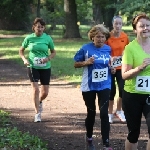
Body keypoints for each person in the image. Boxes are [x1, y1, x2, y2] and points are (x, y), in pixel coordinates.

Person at [74, 24, 115, 150]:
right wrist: (86, 62)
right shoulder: (85, 48)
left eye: (103, 37)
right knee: (91, 113)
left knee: (104, 113)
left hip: (105, 85)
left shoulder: (108, 49)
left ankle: (106, 144)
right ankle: (89, 138)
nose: (101, 39)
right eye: (98, 37)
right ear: (92, 37)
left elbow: (109, 65)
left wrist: (112, 69)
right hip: (89, 86)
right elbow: (76, 64)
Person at [19, 18, 56, 122]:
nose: (39, 29)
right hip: (32, 66)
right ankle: (37, 113)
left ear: (44, 28)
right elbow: (21, 50)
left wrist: (48, 58)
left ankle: (39, 101)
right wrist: (24, 59)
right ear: (34, 27)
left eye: (41, 27)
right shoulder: (29, 38)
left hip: (45, 67)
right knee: (35, 89)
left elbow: (53, 52)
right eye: (38, 26)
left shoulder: (48, 38)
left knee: (45, 93)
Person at [122, 13, 150, 150]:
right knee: (134, 133)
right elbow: (124, 75)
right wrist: (140, 68)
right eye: (142, 26)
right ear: (135, 30)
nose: (146, 28)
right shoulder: (130, 48)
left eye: (148, 25)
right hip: (132, 95)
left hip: (149, 95)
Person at [106, 16, 129, 123]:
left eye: (120, 23)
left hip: (121, 67)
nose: (118, 26)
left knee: (122, 90)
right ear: (112, 24)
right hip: (110, 67)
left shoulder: (125, 36)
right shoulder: (108, 37)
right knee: (111, 91)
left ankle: (119, 111)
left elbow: (128, 50)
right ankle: (109, 113)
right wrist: (110, 59)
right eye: (116, 24)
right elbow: (104, 51)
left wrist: (125, 54)